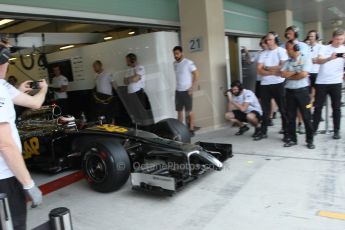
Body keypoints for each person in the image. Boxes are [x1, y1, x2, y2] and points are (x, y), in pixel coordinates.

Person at [0, 39, 47, 229]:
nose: (7, 65)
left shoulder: (4, 87)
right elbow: (5, 144)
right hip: (4, 178)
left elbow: (35, 103)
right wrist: (29, 184)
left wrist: (41, 90)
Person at [281, 40, 315, 149]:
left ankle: (310, 140)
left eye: (288, 49)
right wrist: (296, 72)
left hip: (303, 92)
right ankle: (292, 139)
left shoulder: (305, 59)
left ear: (295, 48)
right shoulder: (287, 61)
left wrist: (290, 75)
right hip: (289, 93)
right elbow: (282, 74)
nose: (286, 51)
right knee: (290, 117)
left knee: (306, 116)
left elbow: (303, 74)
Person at [255, 32, 289, 141]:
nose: (267, 42)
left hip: (279, 83)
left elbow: (283, 67)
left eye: (269, 39)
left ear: (275, 40)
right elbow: (259, 70)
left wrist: (268, 67)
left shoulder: (281, 51)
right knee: (265, 110)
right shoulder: (263, 53)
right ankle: (263, 132)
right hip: (265, 84)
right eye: (266, 40)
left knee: (283, 110)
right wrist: (273, 71)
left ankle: (286, 133)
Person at [313, 29, 345, 139]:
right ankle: (314, 129)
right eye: (337, 39)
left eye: (341, 39)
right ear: (332, 38)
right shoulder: (324, 48)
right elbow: (318, 60)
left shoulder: (344, 49)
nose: (339, 41)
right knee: (318, 107)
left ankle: (336, 131)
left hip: (336, 82)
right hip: (322, 82)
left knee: (336, 108)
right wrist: (329, 58)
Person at [172, 46, 199, 135]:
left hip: (187, 91)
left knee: (189, 111)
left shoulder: (188, 63)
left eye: (177, 53)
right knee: (179, 112)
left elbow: (196, 75)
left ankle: (191, 128)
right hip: (178, 91)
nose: (175, 55)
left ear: (181, 53)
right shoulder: (174, 64)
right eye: (174, 54)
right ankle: (180, 130)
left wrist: (192, 87)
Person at [306, 30, 323, 105]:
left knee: (317, 94)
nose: (310, 37)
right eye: (309, 36)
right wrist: (312, 60)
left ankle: (315, 109)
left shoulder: (320, 47)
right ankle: (309, 109)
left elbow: (319, 59)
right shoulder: (306, 47)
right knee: (309, 94)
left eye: (312, 36)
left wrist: (310, 60)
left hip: (317, 73)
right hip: (307, 73)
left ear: (316, 37)